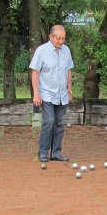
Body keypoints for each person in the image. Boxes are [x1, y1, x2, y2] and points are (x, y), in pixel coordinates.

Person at [30, 25, 74, 162]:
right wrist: (36, 93)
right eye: (58, 38)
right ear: (51, 37)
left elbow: (68, 71)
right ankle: (43, 152)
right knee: (49, 121)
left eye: (63, 38)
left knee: (60, 123)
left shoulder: (66, 50)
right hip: (47, 93)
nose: (61, 41)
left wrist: (69, 90)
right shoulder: (41, 51)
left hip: (62, 94)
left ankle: (56, 153)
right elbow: (35, 72)